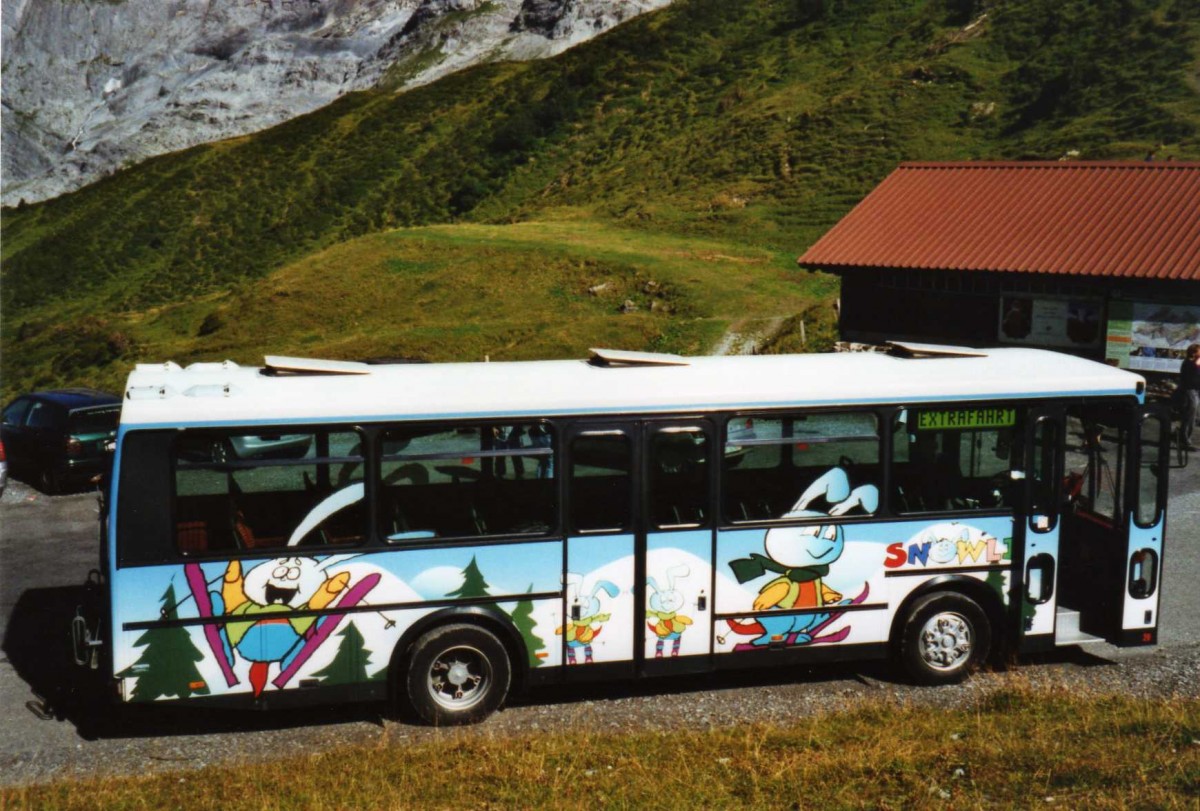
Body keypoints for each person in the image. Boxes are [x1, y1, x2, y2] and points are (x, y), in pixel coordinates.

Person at [1180, 344, 1200, 452]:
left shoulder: (1193, 363)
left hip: (1195, 391)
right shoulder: (1188, 364)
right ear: (1193, 353)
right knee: (1189, 417)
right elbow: (1193, 376)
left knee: (1194, 416)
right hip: (1190, 392)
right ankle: (1185, 441)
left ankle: (1183, 437)